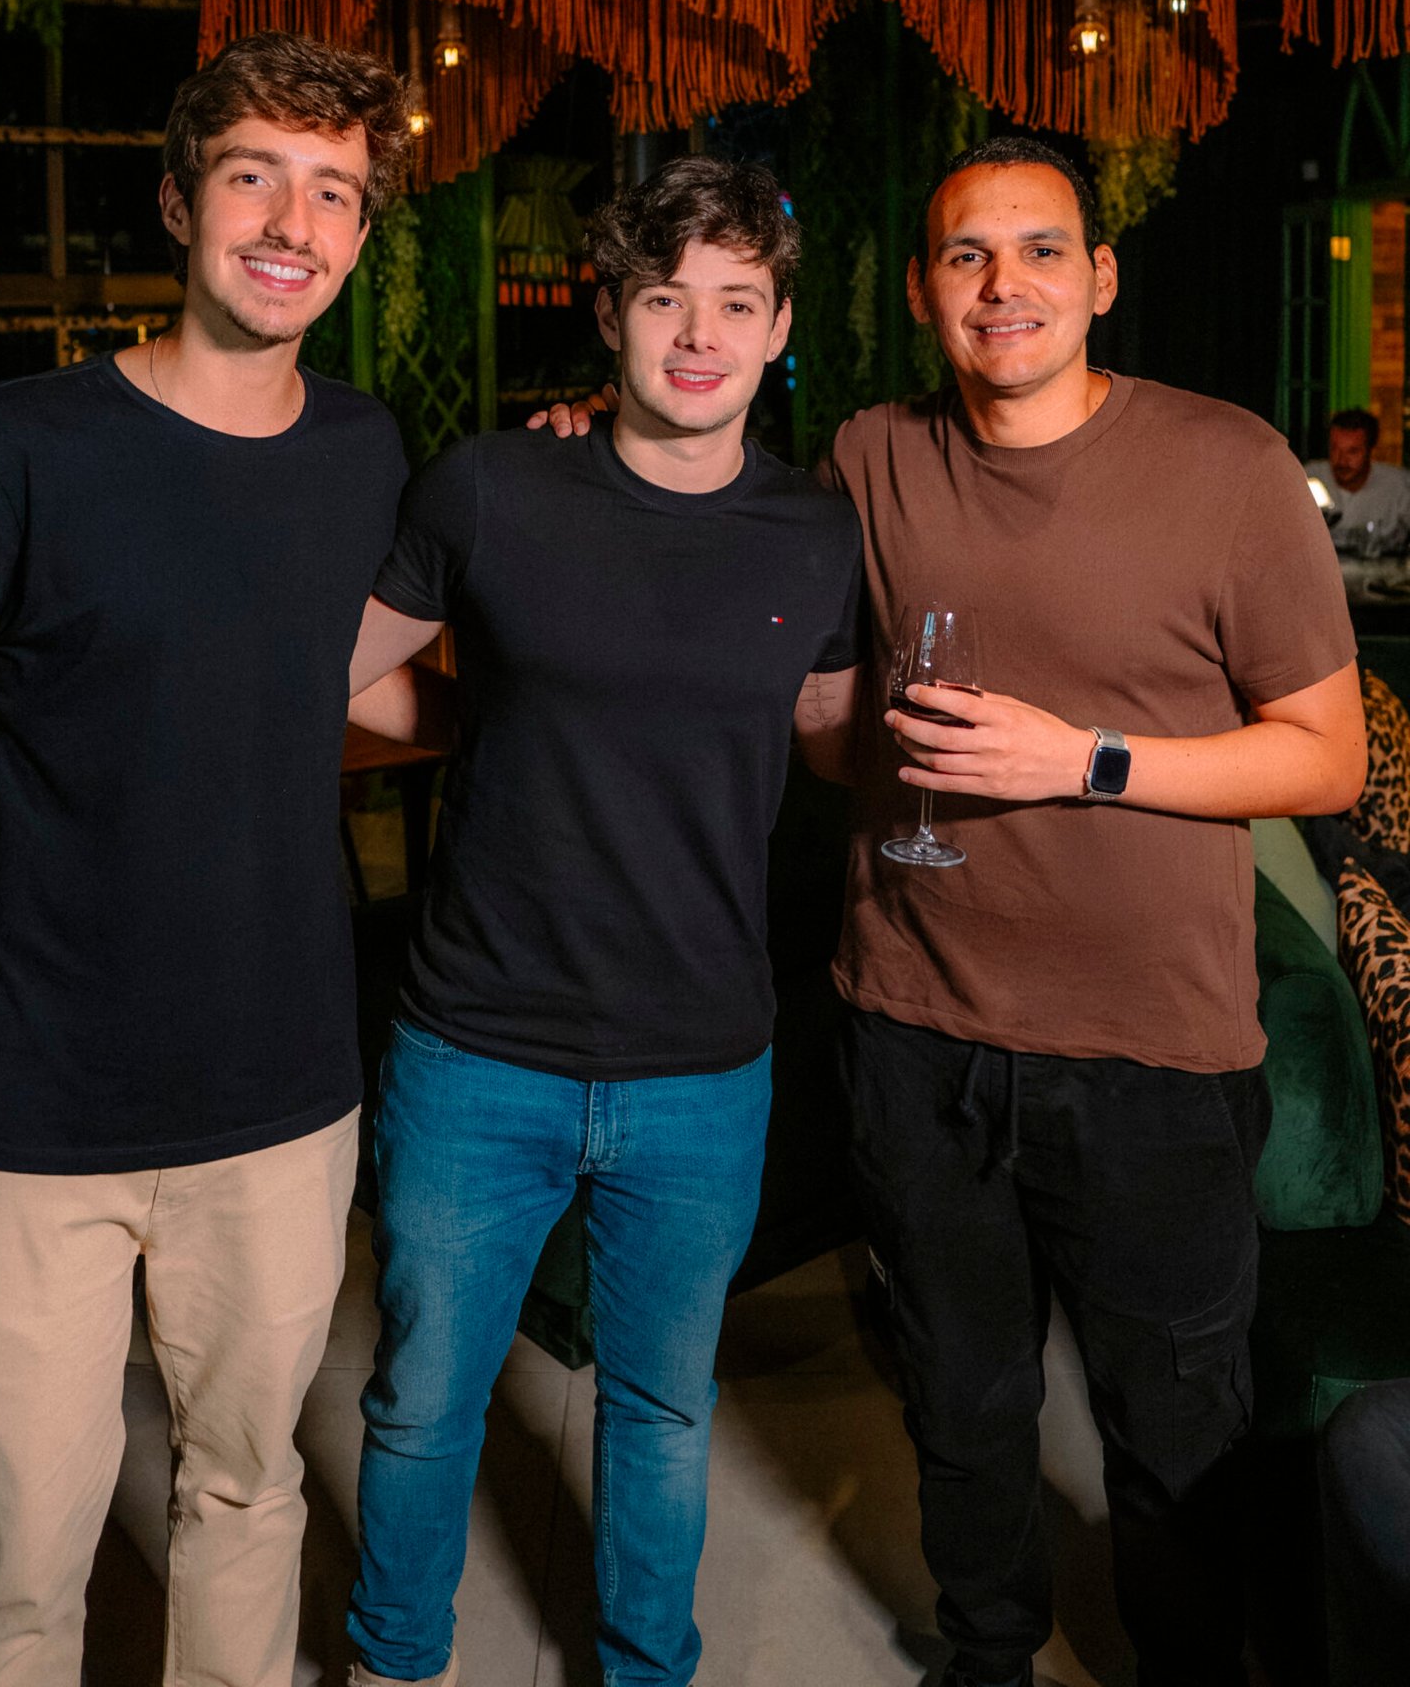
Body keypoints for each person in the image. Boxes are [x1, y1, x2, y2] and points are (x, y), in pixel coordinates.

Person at [537, 134, 1364, 1687]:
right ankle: (987, 1656)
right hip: (914, 1037)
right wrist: (603, 443)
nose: (1005, 284)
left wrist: (1085, 760)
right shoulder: (871, 455)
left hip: (1154, 1058)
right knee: (962, 1400)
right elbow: (810, 685)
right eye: (968, 255)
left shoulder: (1228, 465)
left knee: (1174, 1425)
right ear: (923, 290)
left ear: (1100, 277)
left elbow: (1328, 757)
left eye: (1042, 249)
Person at [0, 31, 410, 1687]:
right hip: (26, 1121)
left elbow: (344, 674)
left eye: (334, 192)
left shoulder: (364, 454)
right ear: (177, 201)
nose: (291, 223)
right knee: (12, 1566)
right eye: (253, 177)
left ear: (362, 236)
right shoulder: (21, 447)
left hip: (282, 1105)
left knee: (248, 1495)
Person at [341, 156, 866, 1687]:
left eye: (736, 304)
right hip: (474, 1052)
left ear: (779, 330)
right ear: (611, 313)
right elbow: (340, 676)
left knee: (664, 1409)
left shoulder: (818, 535)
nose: (699, 336)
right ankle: (393, 1661)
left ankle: (650, 1668)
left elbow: (830, 732)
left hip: (702, 1064)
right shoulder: (493, 487)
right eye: (663, 299)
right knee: (423, 1400)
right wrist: (489, 718)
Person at [1305, 405, 1410, 557]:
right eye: (1335, 449)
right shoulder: (1309, 478)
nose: (1341, 460)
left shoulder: (1400, 484)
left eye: (1352, 451)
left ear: (1370, 450)